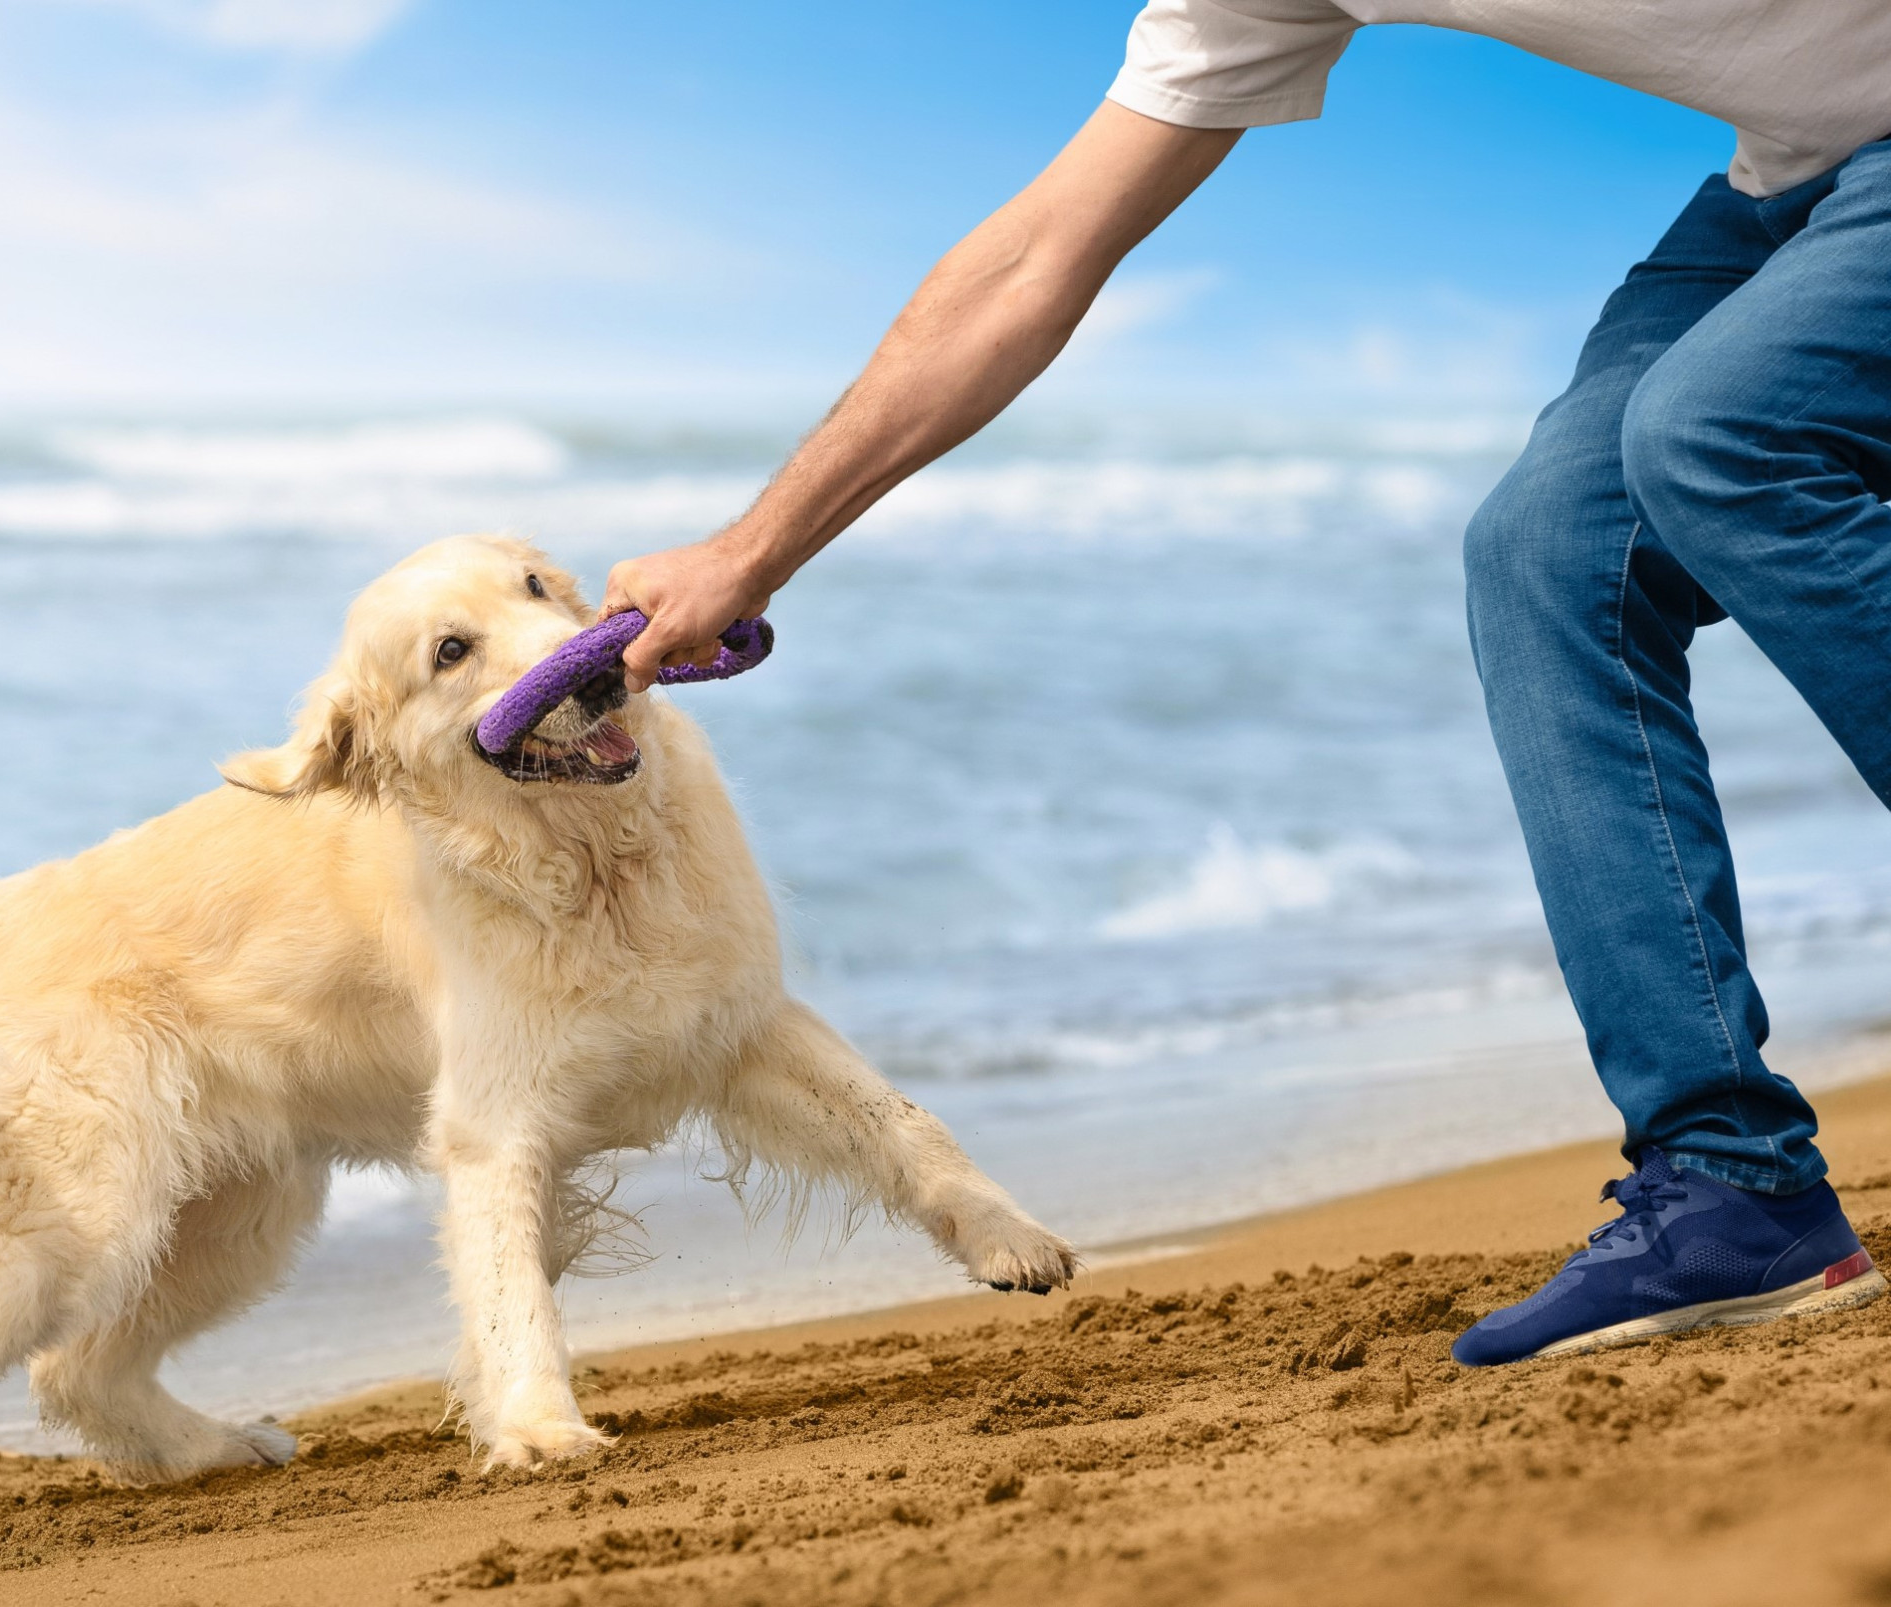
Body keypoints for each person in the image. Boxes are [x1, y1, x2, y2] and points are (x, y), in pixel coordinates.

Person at [599, 1, 1891, 1366]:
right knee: (1543, 554)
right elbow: (1035, 257)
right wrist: (751, 552)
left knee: (1719, 435)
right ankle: (1729, 1181)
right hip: (1797, 184)